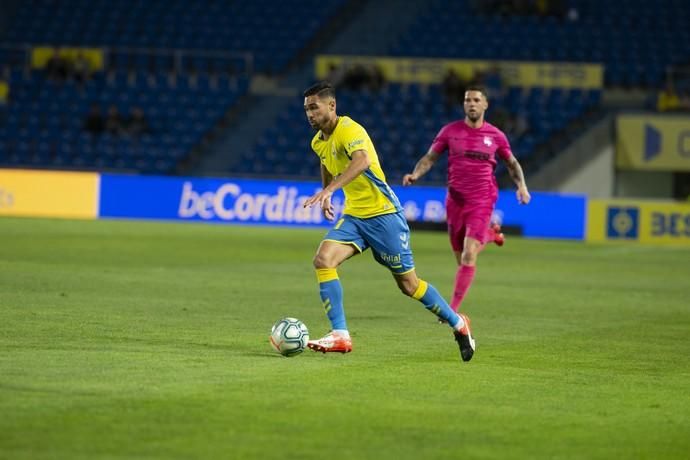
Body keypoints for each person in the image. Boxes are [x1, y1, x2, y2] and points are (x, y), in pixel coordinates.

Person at [302, 81, 475, 362]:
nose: (310, 114)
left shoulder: (350, 129)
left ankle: (458, 323)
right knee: (323, 259)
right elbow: (325, 160)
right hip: (355, 216)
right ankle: (340, 334)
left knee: (409, 286)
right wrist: (328, 193)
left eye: (314, 107)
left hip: (384, 216)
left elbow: (362, 162)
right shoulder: (317, 141)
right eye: (306, 109)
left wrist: (330, 190)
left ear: (331, 105)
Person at [403, 85, 531, 315]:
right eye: (467, 100)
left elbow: (512, 164)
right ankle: (491, 235)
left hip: (482, 199)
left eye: (475, 100)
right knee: (460, 258)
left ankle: (452, 311)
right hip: (455, 200)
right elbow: (430, 158)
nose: (471, 104)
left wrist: (521, 186)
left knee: (469, 253)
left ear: (485, 104)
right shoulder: (450, 131)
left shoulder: (496, 136)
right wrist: (415, 174)